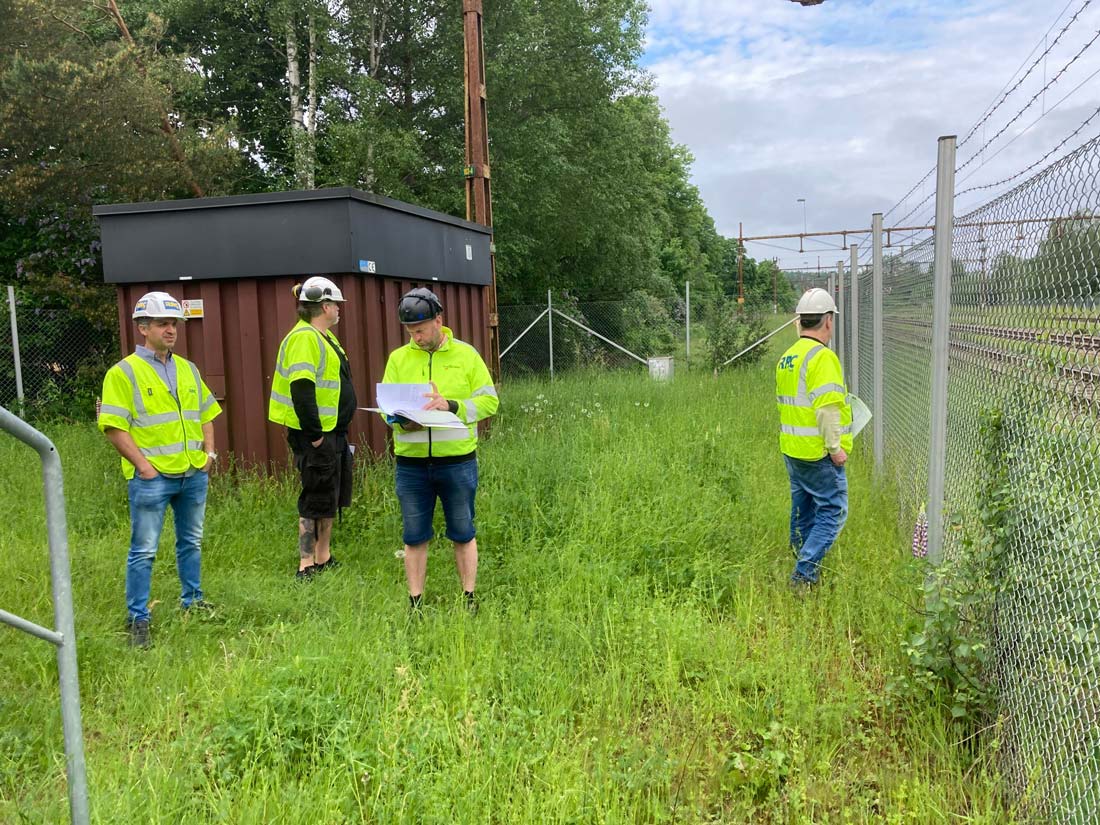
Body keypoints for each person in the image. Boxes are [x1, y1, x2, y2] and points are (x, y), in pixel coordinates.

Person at [98, 291, 222, 648]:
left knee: (191, 543)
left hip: (191, 475)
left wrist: (208, 457)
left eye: (175, 324)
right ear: (142, 328)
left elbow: (206, 414)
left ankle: (193, 602)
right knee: (144, 550)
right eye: (163, 324)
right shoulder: (123, 373)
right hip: (152, 479)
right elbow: (113, 427)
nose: (171, 330)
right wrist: (144, 468)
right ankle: (138, 618)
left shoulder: (187, 368)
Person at [381, 287, 499, 612]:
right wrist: (401, 422)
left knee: (463, 531)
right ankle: (415, 603)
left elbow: (490, 401)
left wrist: (453, 406)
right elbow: (386, 408)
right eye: (410, 332)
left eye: (420, 330)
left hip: (457, 463)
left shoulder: (467, 355)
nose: (416, 337)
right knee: (414, 535)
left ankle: (468, 598)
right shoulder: (398, 359)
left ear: (438, 320)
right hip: (412, 465)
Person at [268, 276, 358, 579]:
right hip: (317, 435)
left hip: (334, 431)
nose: (340, 310)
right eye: (337, 305)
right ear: (325, 305)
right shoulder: (304, 338)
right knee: (314, 496)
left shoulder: (324, 337)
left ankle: (324, 556)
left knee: (329, 494)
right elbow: (302, 389)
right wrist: (316, 436)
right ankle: (306, 564)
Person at [775, 287, 853, 590]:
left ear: (800, 321)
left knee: (802, 508)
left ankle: (800, 553)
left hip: (792, 449)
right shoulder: (822, 357)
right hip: (817, 453)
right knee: (832, 511)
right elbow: (827, 410)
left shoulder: (788, 357)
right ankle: (803, 574)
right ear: (828, 321)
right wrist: (835, 449)